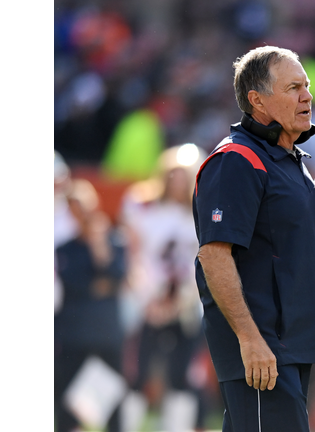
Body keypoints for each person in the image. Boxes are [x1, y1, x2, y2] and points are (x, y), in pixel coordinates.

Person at [192, 45, 315, 432]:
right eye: (293, 87)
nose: (307, 96)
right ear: (257, 100)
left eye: (306, 86)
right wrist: (251, 340)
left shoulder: (288, 161)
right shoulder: (237, 160)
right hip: (264, 352)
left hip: (287, 351)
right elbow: (214, 256)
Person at [120, 144, 208, 432]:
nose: (178, 181)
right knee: (136, 370)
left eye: (184, 175)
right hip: (145, 300)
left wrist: (182, 300)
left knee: (182, 373)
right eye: (174, 174)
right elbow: (131, 256)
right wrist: (147, 298)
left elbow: (207, 262)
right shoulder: (142, 205)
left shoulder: (201, 214)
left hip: (185, 303)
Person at [54, 178, 127, 432]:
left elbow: (116, 276)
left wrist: (99, 243)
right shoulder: (65, 247)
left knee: (112, 400)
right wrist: (99, 285)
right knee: (68, 402)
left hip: (106, 332)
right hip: (73, 334)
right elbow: (75, 284)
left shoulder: (114, 242)